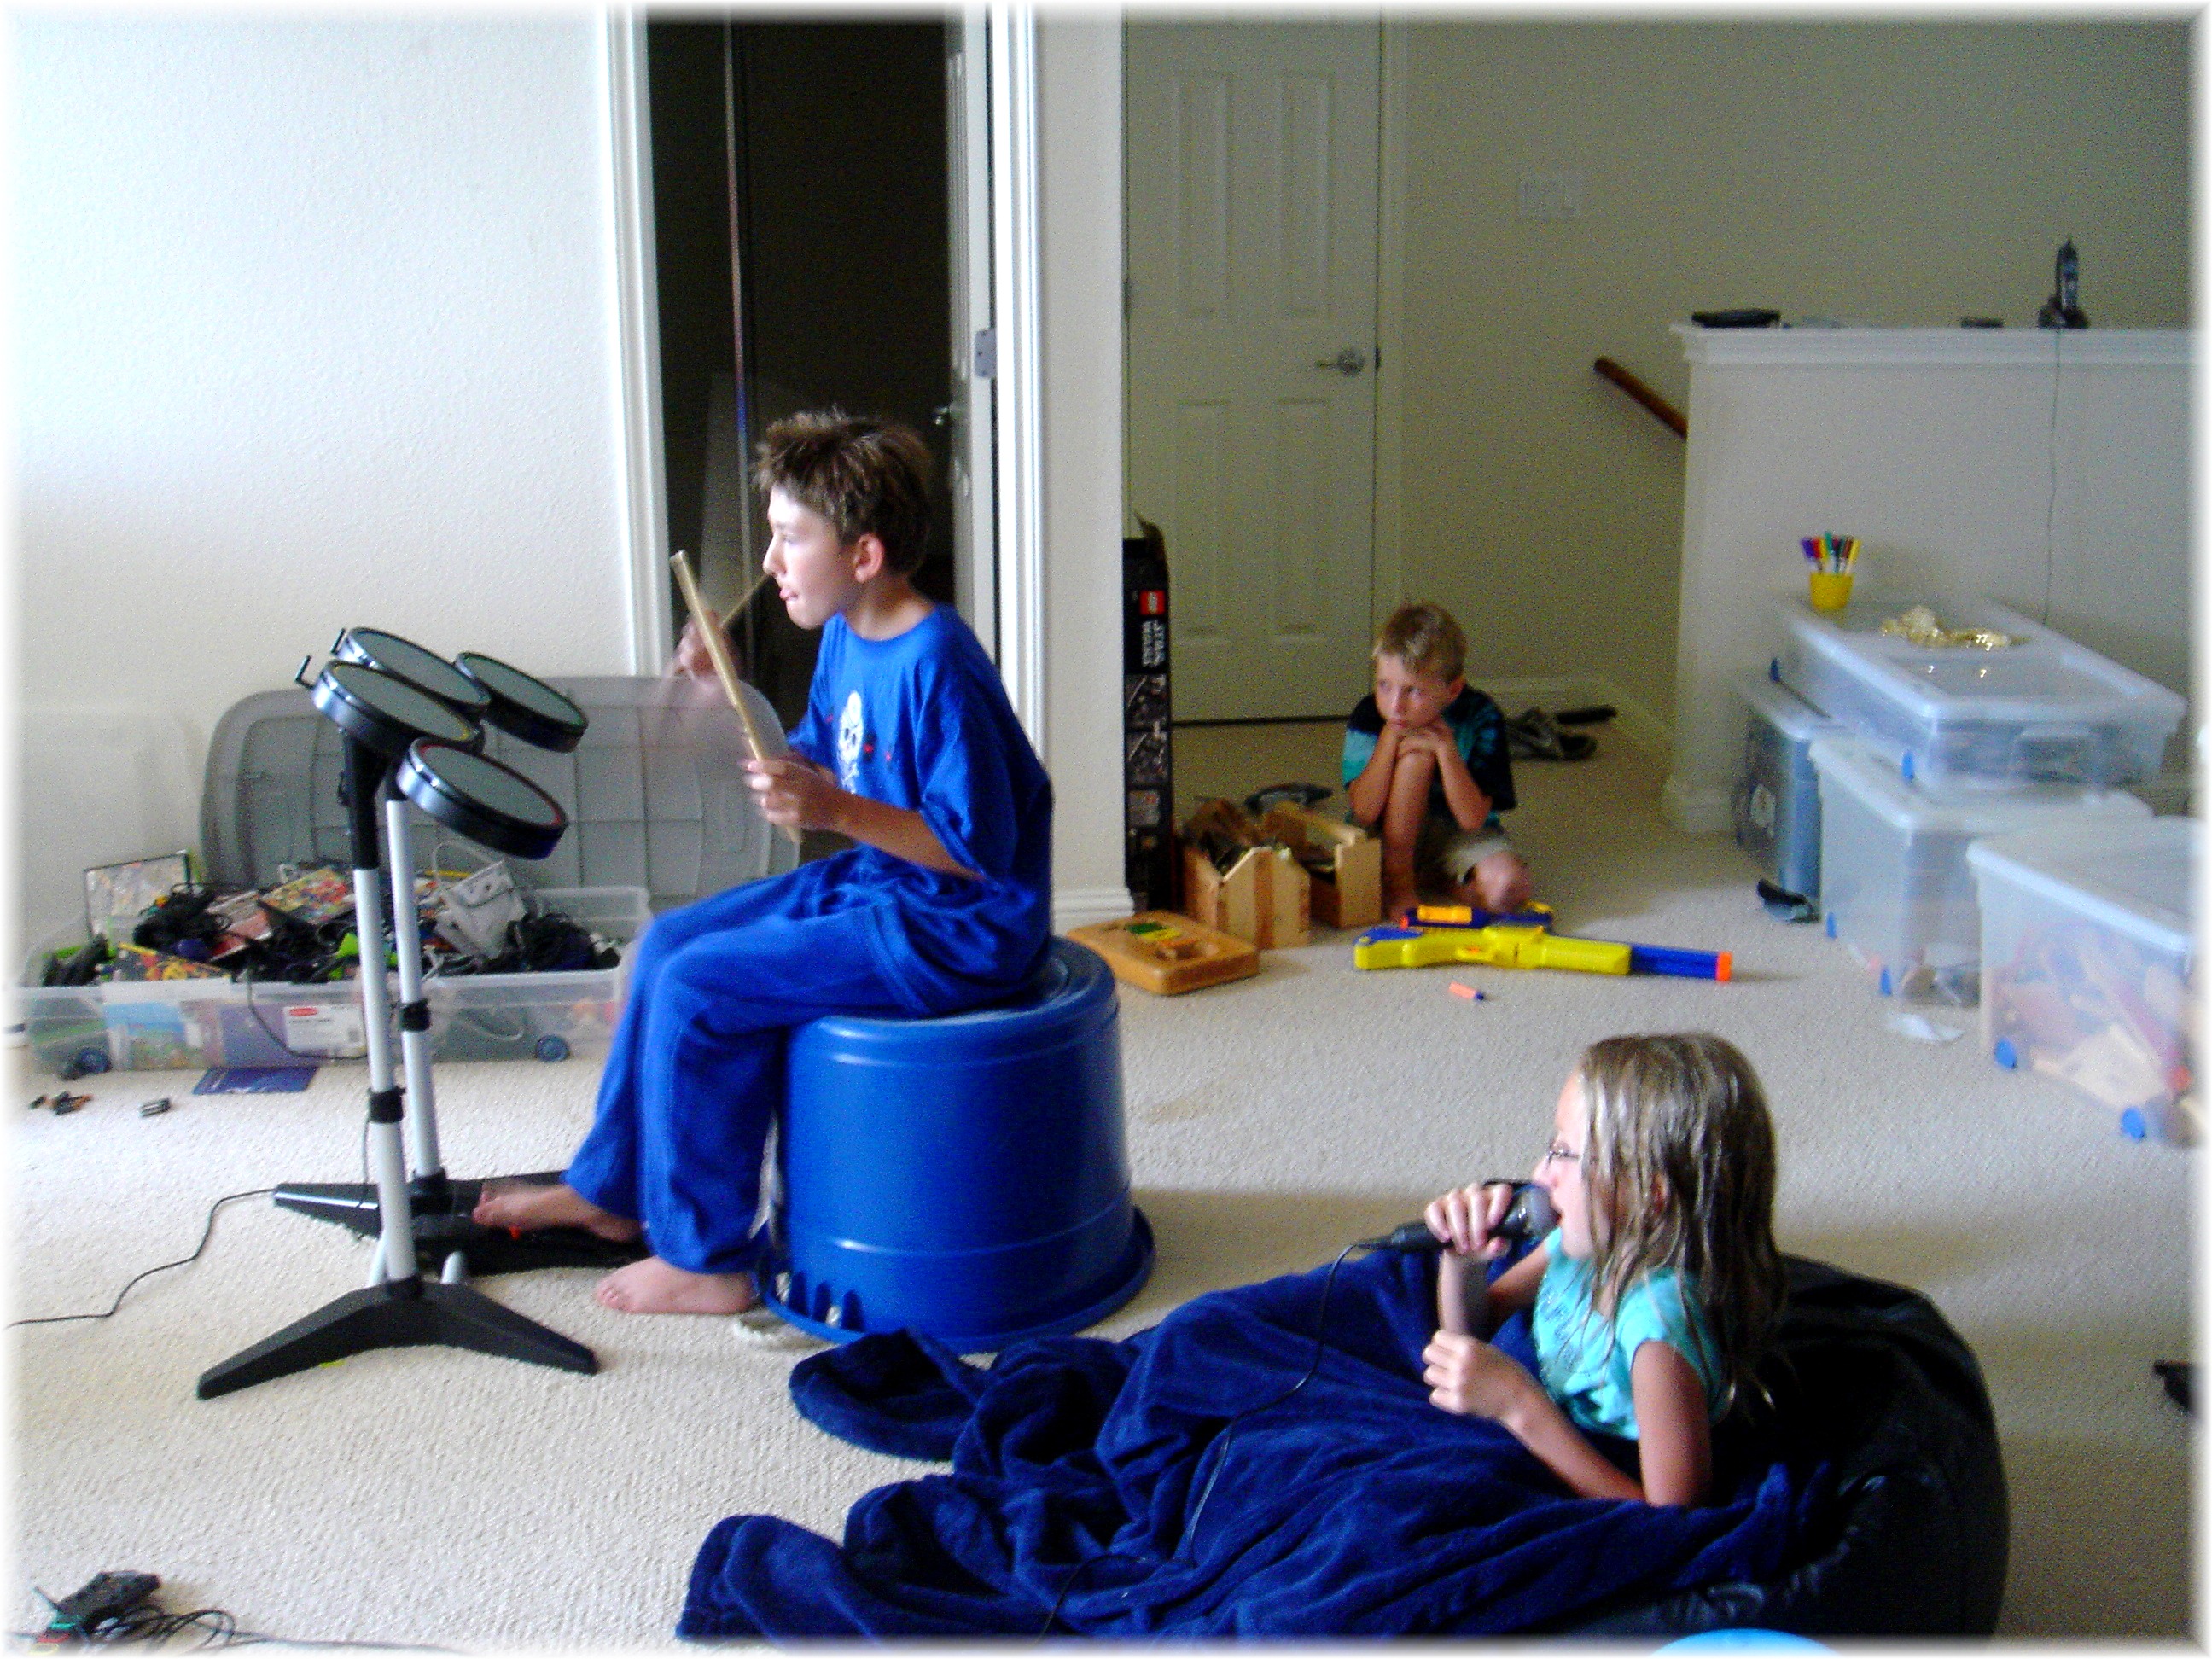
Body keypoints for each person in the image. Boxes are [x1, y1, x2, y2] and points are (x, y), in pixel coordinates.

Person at [474, 411, 1052, 1315]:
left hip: (959, 928)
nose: (772, 562)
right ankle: (613, 1191)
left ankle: (707, 1259)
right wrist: (728, 693)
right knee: (666, 945)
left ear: (864, 555)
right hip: (883, 885)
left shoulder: (938, 662)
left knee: (703, 988)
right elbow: (824, 762)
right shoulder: (846, 634)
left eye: (790, 538)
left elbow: (978, 850)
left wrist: (834, 811)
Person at [1418, 1033, 1785, 1506]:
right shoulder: (1589, 1239)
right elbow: (1472, 1331)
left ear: (1648, 1194)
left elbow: (1673, 1513)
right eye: (1551, 1147)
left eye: (1564, 1154)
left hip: (1610, 1465)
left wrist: (1517, 1404)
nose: (1540, 1174)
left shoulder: (1658, 1334)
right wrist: (1462, 1260)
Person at [1341, 602, 1532, 920]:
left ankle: (1435, 877)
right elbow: (1364, 810)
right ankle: (1399, 879)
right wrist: (1389, 740)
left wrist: (1446, 750)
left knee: (1507, 890)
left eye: (1413, 691)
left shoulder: (1481, 715)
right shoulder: (1369, 714)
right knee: (1416, 757)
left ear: (1452, 690)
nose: (1395, 705)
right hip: (1383, 832)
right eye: (1384, 686)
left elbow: (1472, 819)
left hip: (1455, 831)